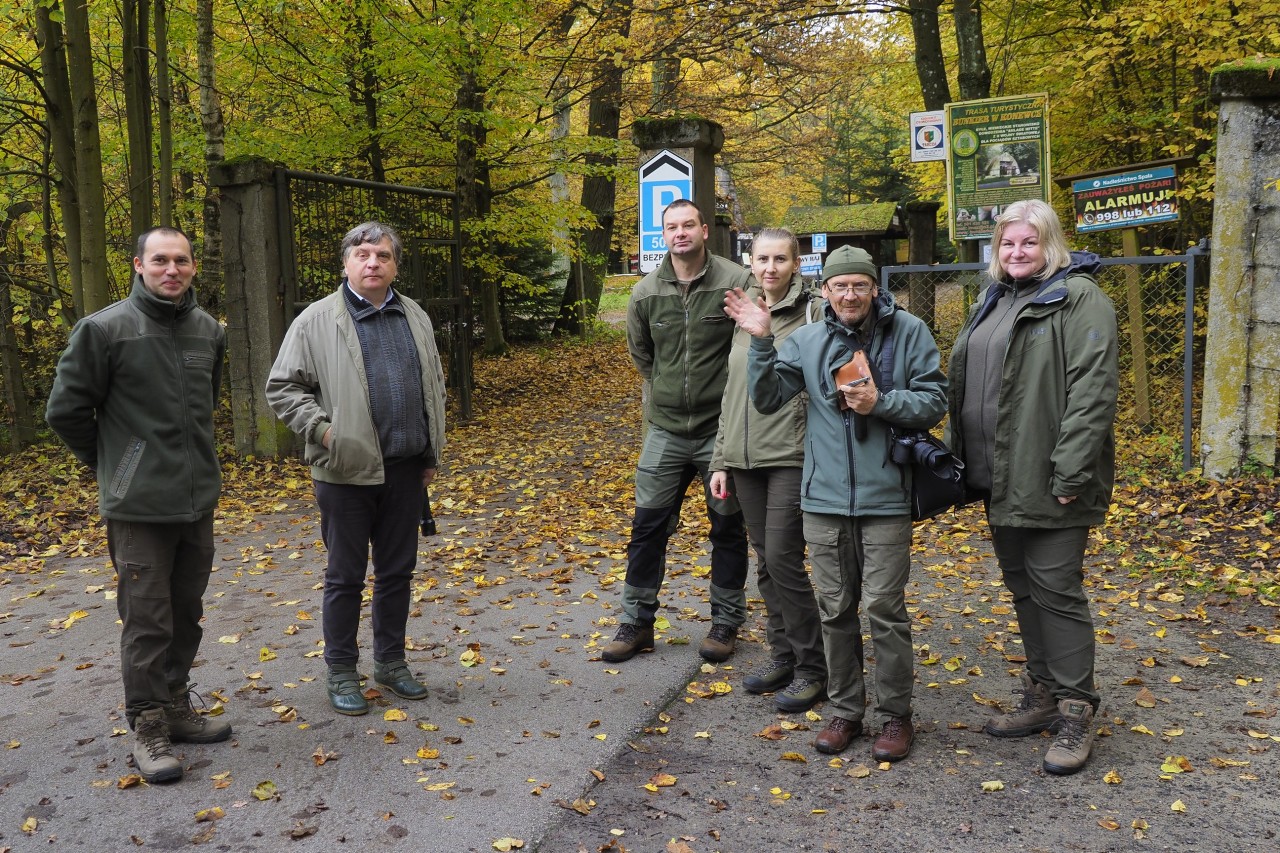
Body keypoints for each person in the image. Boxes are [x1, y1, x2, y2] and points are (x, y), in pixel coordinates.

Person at [724, 245, 946, 761]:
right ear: (824, 290)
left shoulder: (909, 332)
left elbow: (935, 400)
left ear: (874, 288)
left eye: (859, 285)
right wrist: (761, 340)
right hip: (823, 500)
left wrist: (881, 403)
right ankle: (846, 709)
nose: (849, 295)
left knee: (884, 608)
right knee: (835, 608)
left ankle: (895, 716)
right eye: (840, 286)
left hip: (886, 498)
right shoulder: (806, 339)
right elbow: (767, 398)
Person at [46, 226, 230, 784]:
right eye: (160, 260)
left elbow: (204, 406)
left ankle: (174, 705)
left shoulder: (208, 331)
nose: (171, 270)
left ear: (193, 267)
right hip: (138, 508)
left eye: (181, 260)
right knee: (147, 621)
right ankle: (147, 724)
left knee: (186, 612)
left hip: (196, 501)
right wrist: (118, 466)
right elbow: (65, 411)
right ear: (138, 265)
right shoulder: (104, 330)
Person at [946, 199, 1118, 775]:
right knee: (1022, 587)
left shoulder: (1079, 298)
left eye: (1029, 242)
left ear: (1051, 244)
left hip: (1050, 477)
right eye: (1008, 243)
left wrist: (1070, 470)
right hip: (999, 476)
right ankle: (1043, 693)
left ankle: (1075, 709)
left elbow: (1093, 391)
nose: (1017, 252)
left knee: (1056, 590)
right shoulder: (994, 299)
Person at [266, 221, 447, 716]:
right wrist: (326, 433)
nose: (373, 263)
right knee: (345, 577)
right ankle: (342, 671)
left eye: (383, 256)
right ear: (346, 263)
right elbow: (283, 387)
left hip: (405, 470)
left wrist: (429, 452)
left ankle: (390, 663)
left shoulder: (414, 315)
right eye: (363, 255)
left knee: (397, 573)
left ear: (395, 265)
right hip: (344, 473)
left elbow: (432, 383)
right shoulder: (316, 320)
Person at [602, 199, 752, 664]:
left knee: (727, 527)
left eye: (688, 225)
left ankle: (726, 622)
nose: (680, 233)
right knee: (647, 527)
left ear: (704, 230)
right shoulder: (646, 292)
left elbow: (749, 344)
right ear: (663, 235)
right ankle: (636, 623)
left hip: (719, 432)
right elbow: (642, 356)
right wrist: (669, 390)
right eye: (672, 227)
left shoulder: (735, 281)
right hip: (665, 431)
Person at [708, 228, 827, 713]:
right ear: (750, 263)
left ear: (796, 264)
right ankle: (784, 656)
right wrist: (721, 458)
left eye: (780, 259)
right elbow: (732, 391)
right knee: (766, 562)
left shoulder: (813, 312)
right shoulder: (743, 310)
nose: (770, 268)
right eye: (762, 259)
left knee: (782, 558)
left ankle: (813, 668)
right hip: (744, 457)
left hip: (790, 453)